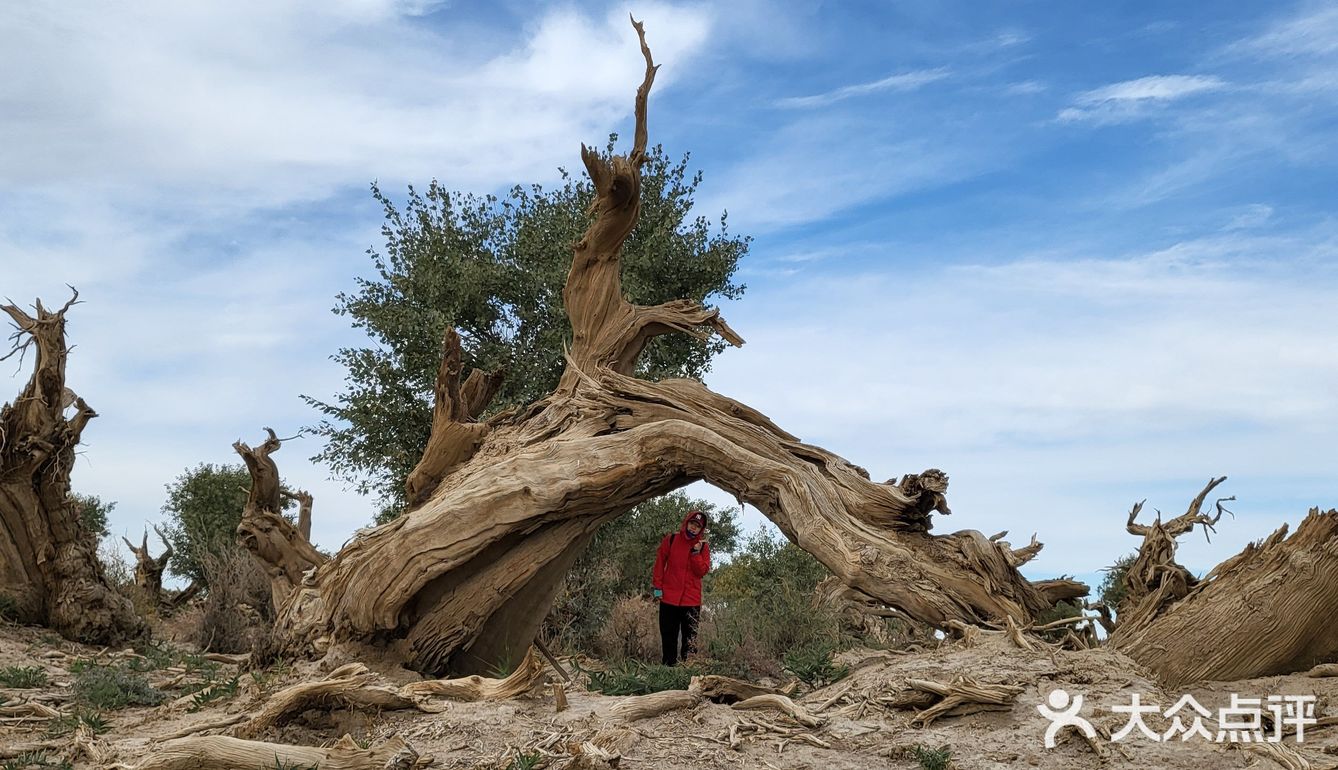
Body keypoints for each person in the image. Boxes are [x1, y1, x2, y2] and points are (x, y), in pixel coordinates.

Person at [651, 509, 711, 666]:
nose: (693, 528)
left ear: (701, 529)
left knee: (690, 640)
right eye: (692, 523)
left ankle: (688, 672)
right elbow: (659, 564)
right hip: (669, 599)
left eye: (697, 526)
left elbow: (702, 572)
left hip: (691, 602)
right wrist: (658, 588)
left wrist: (695, 554)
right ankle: (667, 671)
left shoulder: (703, 547)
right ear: (686, 522)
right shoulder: (670, 540)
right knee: (668, 637)